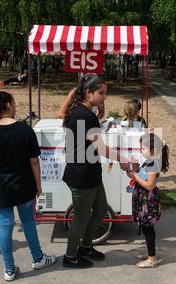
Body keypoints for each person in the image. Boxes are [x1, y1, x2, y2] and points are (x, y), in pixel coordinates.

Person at [0, 91, 57, 281]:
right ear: (8, 105)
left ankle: (9, 269)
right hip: (23, 183)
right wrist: (38, 184)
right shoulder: (24, 129)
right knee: (28, 221)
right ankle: (38, 258)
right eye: (14, 103)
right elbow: (34, 160)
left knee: (5, 225)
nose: (15, 106)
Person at [62, 73, 129, 268]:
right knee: (80, 218)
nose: (104, 97)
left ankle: (86, 247)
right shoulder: (84, 115)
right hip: (82, 175)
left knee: (100, 211)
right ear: (89, 93)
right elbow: (100, 148)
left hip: (90, 173)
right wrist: (123, 159)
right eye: (101, 93)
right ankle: (70, 256)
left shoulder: (84, 113)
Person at [127, 133, 169, 268]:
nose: (140, 150)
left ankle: (152, 259)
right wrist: (134, 169)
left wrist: (134, 175)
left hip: (147, 199)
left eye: (143, 148)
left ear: (153, 150)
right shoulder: (149, 161)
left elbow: (149, 185)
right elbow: (142, 174)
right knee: (146, 228)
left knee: (148, 228)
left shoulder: (153, 163)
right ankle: (150, 252)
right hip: (143, 196)